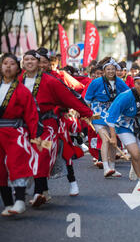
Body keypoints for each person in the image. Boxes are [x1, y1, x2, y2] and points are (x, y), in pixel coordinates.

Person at [19, 49, 93, 206]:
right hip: (25, 127)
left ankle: (41, 191)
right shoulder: (18, 81)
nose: (30, 62)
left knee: (43, 151)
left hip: (48, 127)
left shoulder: (52, 80)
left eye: (34, 60)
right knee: (26, 154)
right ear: (23, 63)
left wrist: (86, 112)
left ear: (39, 63)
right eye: (27, 60)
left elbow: (70, 97)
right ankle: (41, 191)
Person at [0, 53, 43, 216]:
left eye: (12, 64)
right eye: (5, 63)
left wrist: (35, 136)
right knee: (0, 170)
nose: (8, 66)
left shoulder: (22, 91)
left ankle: (19, 201)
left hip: (15, 132)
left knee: (15, 164)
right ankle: (8, 203)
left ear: (18, 68)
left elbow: (31, 115)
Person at [84, 57, 129, 178]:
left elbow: (128, 95)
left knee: (113, 142)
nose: (110, 71)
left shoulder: (119, 82)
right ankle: (105, 167)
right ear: (104, 70)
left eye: (112, 69)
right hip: (98, 113)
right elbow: (87, 100)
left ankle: (112, 168)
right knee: (105, 139)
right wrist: (85, 113)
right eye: (108, 69)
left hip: (113, 113)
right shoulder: (96, 82)